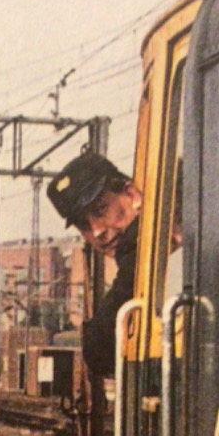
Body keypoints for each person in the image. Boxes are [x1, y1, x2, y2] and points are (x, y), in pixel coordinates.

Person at [47, 150, 142, 377]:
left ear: (132, 195)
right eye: (84, 225)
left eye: (101, 210)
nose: (97, 231)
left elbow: (100, 349)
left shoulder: (139, 252)